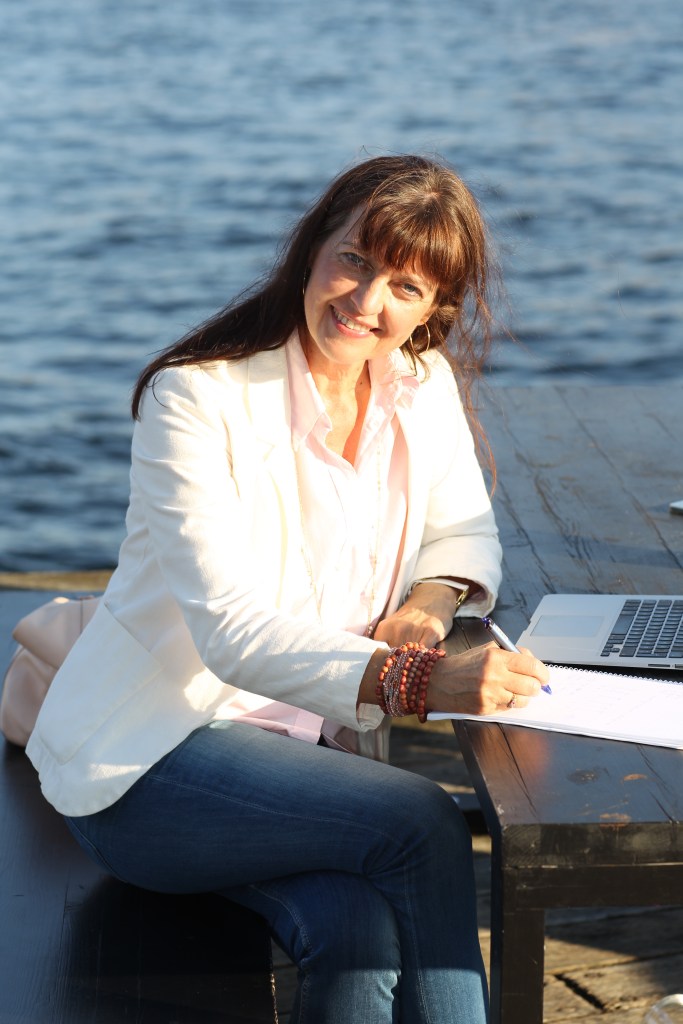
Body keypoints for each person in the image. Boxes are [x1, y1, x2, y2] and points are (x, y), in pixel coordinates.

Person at [27, 154, 549, 1023]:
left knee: (357, 932)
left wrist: (428, 603)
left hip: (307, 762)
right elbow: (229, 629)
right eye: (354, 260)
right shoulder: (196, 398)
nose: (367, 301)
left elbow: (463, 533)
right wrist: (418, 681)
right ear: (311, 251)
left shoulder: (419, 385)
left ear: (433, 309)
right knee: (421, 823)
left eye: (405, 287)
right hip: (153, 761)